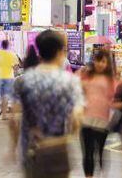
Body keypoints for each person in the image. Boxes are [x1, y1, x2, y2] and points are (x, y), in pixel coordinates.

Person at [14, 30, 84, 178]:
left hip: (31, 150)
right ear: (60, 52)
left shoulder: (23, 80)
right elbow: (76, 117)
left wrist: (12, 147)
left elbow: (15, 117)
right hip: (57, 149)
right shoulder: (70, 82)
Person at [79, 49, 116, 178]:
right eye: (97, 60)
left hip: (103, 121)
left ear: (108, 63)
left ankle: (101, 175)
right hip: (86, 119)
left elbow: (114, 98)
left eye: (103, 61)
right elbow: (78, 87)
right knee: (87, 152)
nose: (100, 64)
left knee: (100, 152)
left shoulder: (111, 79)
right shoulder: (87, 75)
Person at [7, 45, 39, 162]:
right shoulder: (47, 80)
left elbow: (14, 116)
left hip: (27, 128)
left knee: (29, 162)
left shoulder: (19, 81)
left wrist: (13, 147)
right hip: (45, 131)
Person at [0, 40, 19, 120]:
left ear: (1, 45)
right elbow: (15, 67)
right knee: (5, 96)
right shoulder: (12, 54)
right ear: (8, 45)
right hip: (8, 77)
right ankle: (4, 115)